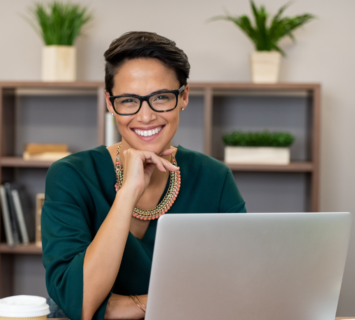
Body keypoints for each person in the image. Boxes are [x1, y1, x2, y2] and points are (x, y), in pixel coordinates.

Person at [41, 31, 246, 320]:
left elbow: (237, 286)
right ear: (110, 104)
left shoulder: (215, 177)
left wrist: (123, 306)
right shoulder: (70, 175)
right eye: (128, 101)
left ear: (184, 96)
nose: (146, 116)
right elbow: (82, 303)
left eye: (161, 98)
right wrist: (128, 193)